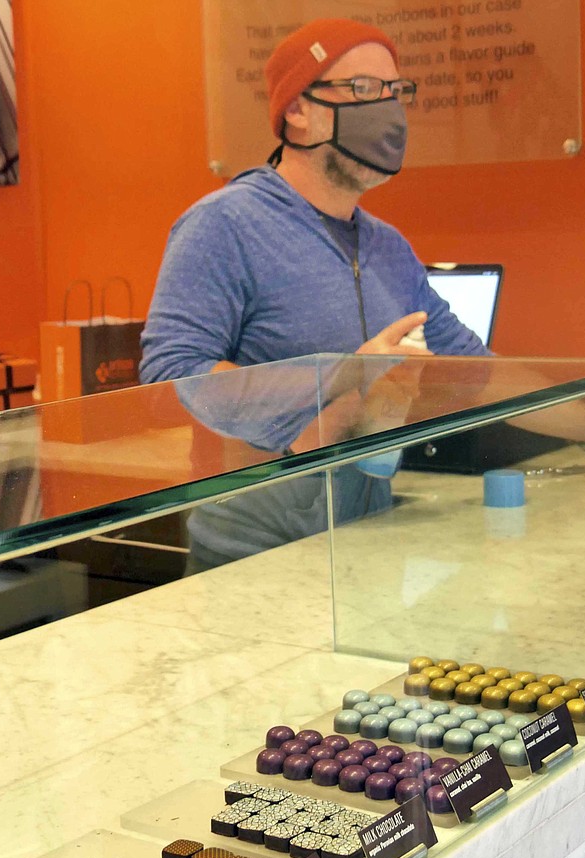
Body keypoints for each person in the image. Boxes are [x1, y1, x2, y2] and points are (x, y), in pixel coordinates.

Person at [140, 18, 489, 572]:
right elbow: (168, 378)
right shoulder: (223, 225)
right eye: (362, 90)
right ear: (296, 111)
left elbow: (481, 373)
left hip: (364, 552)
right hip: (248, 563)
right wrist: (346, 374)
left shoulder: (389, 247)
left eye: (395, 91)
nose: (387, 108)